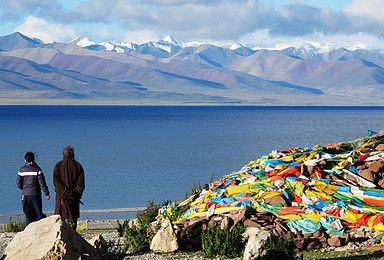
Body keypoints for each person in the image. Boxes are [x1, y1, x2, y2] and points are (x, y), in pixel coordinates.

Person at [53, 145, 85, 229]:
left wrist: (65, 193)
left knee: (60, 224)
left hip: (61, 198)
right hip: (73, 199)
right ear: (73, 155)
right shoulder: (78, 166)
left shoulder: (58, 165)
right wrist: (72, 194)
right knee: (72, 222)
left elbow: (56, 182)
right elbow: (81, 185)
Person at [17, 152, 50, 226]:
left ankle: (28, 229)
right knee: (38, 213)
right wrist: (47, 193)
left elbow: (18, 183)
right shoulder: (37, 169)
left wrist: (24, 188)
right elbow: (42, 183)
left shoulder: (21, 170)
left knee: (28, 214)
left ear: (25, 160)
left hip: (25, 195)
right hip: (35, 194)